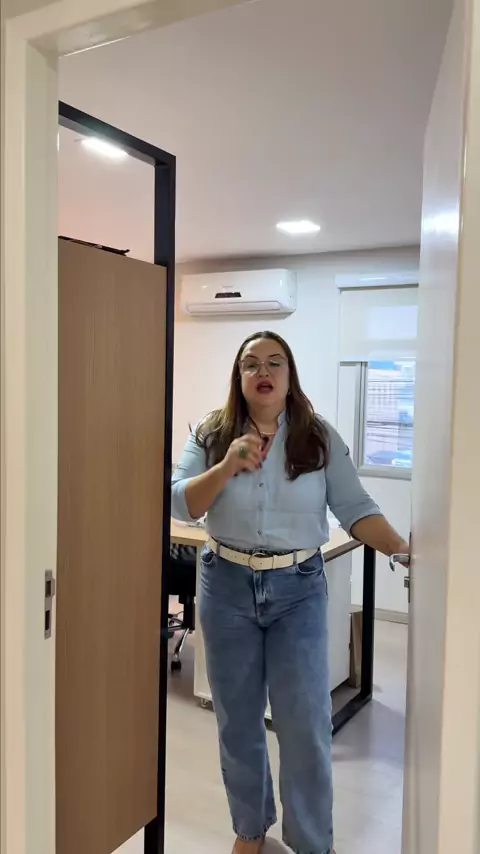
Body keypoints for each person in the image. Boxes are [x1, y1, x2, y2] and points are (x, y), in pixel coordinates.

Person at [171, 331, 409, 854]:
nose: (263, 371)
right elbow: (179, 503)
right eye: (251, 363)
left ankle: (310, 842)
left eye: (275, 362)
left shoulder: (316, 436)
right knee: (238, 721)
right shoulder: (212, 433)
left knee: (304, 724)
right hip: (226, 584)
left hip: (298, 589)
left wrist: (402, 549)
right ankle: (250, 830)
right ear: (238, 376)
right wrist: (227, 465)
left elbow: (355, 508)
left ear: (289, 375)